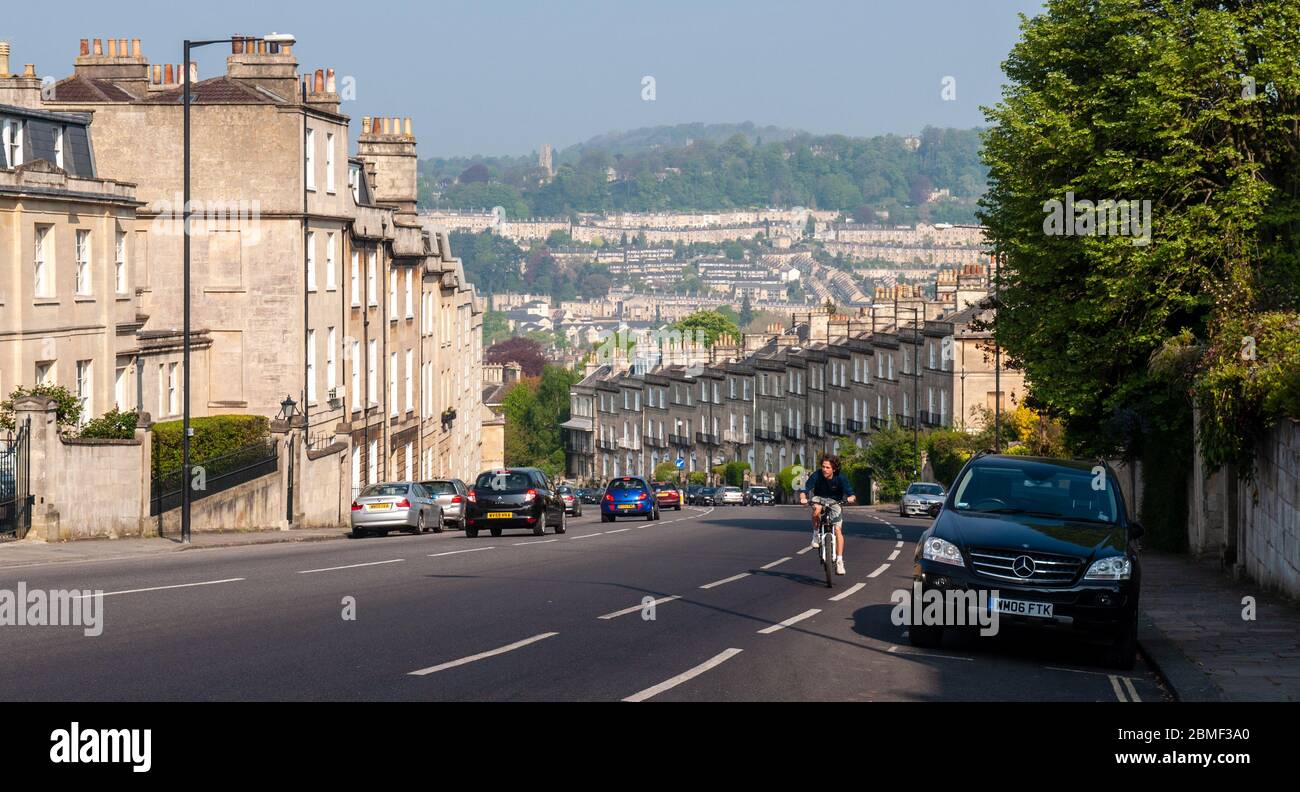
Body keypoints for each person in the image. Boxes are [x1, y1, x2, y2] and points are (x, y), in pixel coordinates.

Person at [800, 454, 856, 575]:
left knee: (837, 530)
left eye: (828, 467)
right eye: (823, 467)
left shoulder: (841, 478)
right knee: (816, 510)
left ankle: (840, 561)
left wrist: (851, 497)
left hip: (835, 501)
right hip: (819, 498)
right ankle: (815, 534)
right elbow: (804, 490)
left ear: (834, 469)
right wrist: (803, 498)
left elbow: (851, 493)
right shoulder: (816, 475)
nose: (824, 469)